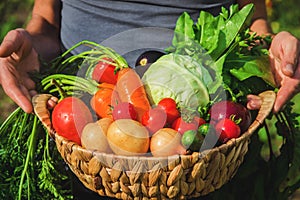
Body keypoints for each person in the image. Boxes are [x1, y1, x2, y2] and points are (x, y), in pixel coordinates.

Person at [0, 0, 299, 199]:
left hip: (211, 154)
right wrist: (32, 45)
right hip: (85, 146)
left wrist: (266, 54)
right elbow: (46, 21)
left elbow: (253, 15)